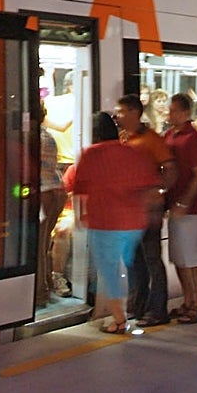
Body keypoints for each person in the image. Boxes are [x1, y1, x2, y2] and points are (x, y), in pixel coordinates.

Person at [70, 112, 162, 333]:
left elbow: (79, 190)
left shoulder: (89, 155)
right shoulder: (132, 152)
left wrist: (79, 217)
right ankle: (130, 308)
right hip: (134, 223)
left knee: (109, 270)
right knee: (128, 265)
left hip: (104, 221)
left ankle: (119, 318)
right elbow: (149, 186)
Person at [113, 94, 178, 327]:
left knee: (151, 259)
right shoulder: (124, 139)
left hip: (148, 210)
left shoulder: (151, 140)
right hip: (130, 210)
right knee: (133, 260)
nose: (117, 116)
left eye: (120, 111)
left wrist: (159, 192)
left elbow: (170, 167)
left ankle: (158, 310)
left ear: (133, 113)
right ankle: (136, 306)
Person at [163, 93, 197, 324]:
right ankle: (188, 300)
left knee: (192, 259)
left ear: (184, 113)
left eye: (173, 110)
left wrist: (185, 202)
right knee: (180, 258)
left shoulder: (193, 138)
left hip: (192, 209)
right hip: (176, 205)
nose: (169, 114)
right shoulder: (170, 135)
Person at [38, 104, 69, 305]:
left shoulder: (32, 138)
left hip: (44, 192)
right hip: (56, 189)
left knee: (38, 246)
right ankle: (47, 283)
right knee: (45, 243)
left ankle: (40, 293)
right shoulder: (47, 135)